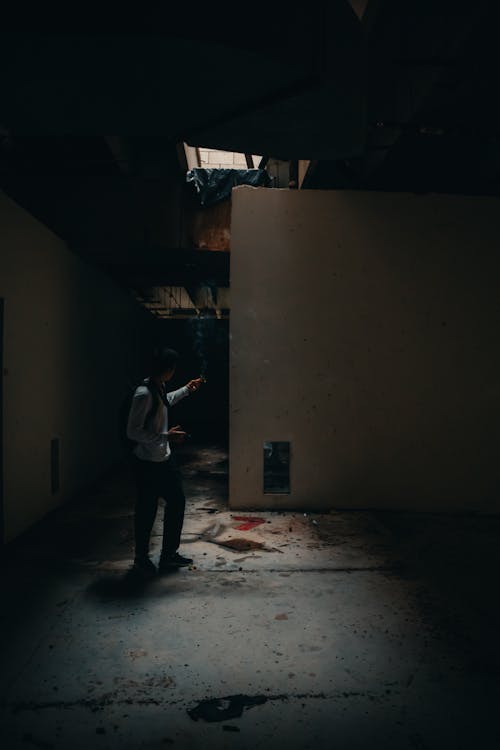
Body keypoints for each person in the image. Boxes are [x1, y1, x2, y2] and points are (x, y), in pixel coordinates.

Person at [126, 347, 203, 576]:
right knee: (147, 511)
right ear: (168, 369)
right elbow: (132, 431)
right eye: (173, 368)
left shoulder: (158, 387)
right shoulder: (143, 393)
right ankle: (141, 559)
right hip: (148, 463)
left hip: (164, 459)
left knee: (177, 502)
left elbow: (165, 402)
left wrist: (187, 390)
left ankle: (168, 554)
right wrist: (165, 436)